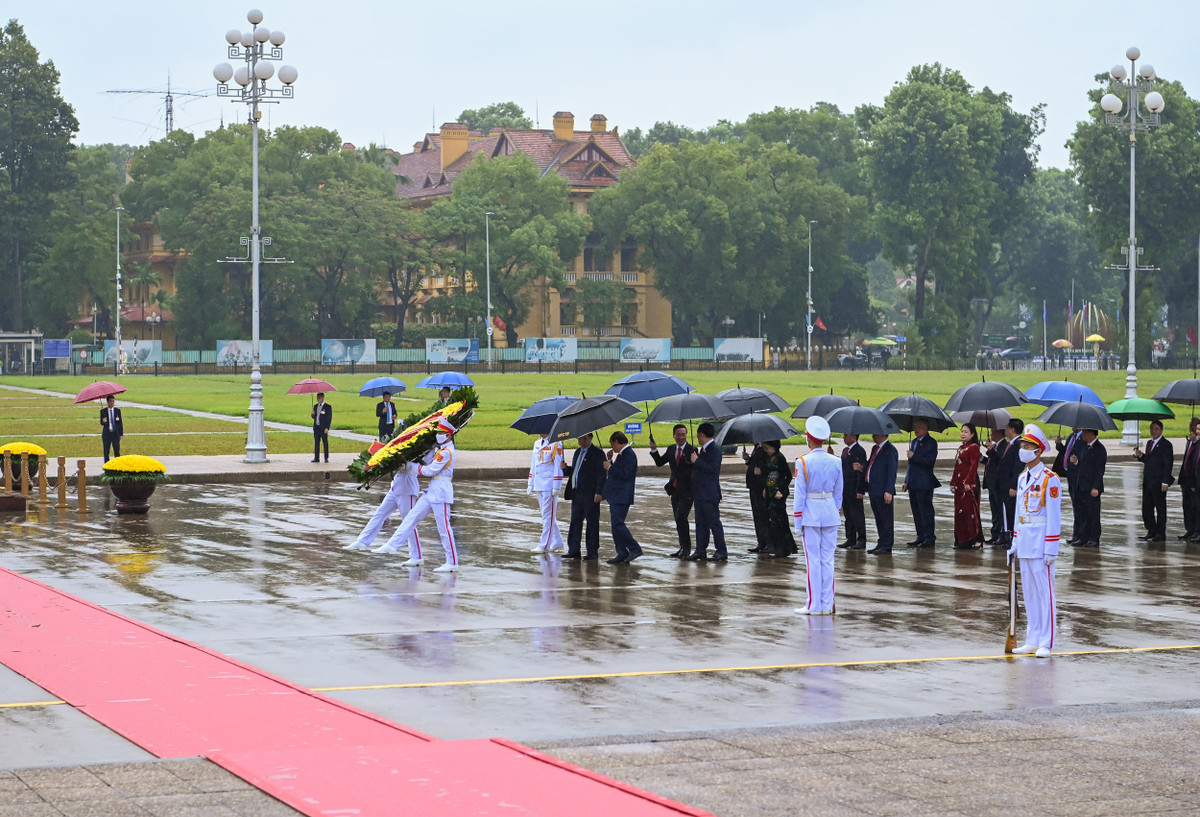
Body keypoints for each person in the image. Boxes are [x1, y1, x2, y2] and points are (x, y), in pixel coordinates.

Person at [1007, 424, 1061, 658]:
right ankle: (1032, 638)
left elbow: (1054, 517)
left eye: (1027, 446)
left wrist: (1051, 548)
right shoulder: (1022, 478)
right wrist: (1015, 543)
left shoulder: (1050, 479)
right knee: (1029, 593)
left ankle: (1046, 642)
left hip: (1041, 544)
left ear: (1038, 451)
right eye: (1021, 445)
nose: (1022, 449)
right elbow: (1019, 513)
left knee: (1044, 593)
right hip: (1026, 541)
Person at [379, 418, 460, 572]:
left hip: (441, 492)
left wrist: (411, 467)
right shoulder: (441, 450)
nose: (438, 435)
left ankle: (452, 562)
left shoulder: (447, 453)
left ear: (448, 435)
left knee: (444, 529)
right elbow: (428, 464)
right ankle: (394, 546)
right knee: (411, 517)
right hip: (433, 490)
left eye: (441, 433)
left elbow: (430, 471)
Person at [793, 417, 844, 615]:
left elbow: (800, 495)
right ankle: (826, 603)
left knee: (813, 561)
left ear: (809, 438)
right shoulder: (836, 461)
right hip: (830, 512)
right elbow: (839, 493)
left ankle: (814, 605)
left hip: (811, 514)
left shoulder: (803, 462)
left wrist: (797, 521)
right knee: (828, 560)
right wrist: (835, 511)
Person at [343, 462, 421, 553]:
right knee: (380, 513)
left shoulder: (427, 450)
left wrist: (406, 465)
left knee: (409, 521)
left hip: (408, 487)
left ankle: (416, 555)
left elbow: (423, 466)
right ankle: (362, 541)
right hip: (396, 485)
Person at [649, 424, 694, 558]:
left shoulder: (692, 449)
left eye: (683, 434)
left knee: (682, 518)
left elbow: (695, 468)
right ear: (673, 435)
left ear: (686, 435)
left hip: (687, 490)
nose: (681, 437)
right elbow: (659, 462)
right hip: (674, 489)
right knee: (677, 519)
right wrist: (654, 450)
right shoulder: (671, 449)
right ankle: (682, 547)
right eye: (678, 434)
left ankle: (687, 548)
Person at [688, 422, 728, 561]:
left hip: (709, 494)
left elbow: (712, 469)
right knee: (700, 523)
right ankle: (700, 550)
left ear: (702, 435)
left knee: (713, 522)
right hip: (700, 493)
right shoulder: (703, 450)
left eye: (698, 435)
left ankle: (721, 550)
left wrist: (697, 460)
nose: (698, 438)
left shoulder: (714, 449)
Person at [601, 430, 642, 564]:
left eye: (612, 444)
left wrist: (609, 467)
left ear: (617, 442)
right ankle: (621, 551)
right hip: (616, 494)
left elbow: (625, 474)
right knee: (615, 525)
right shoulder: (623, 454)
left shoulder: (629, 454)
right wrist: (610, 461)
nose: (612, 447)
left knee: (618, 524)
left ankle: (634, 548)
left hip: (622, 495)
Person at [564, 433, 606, 560]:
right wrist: (566, 469)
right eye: (579, 439)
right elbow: (577, 470)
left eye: (584, 439)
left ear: (591, 439)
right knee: (575, 522)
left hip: (590, 493)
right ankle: (573, 549)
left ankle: (592, 551)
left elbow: (601, 474)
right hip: (577, 493)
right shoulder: (577, 452)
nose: (581, 441)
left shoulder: (597, 453)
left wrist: (599, 492)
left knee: (592, 523)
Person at [1133, 420, 1174, 543]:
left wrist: (1165, 481)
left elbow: (1168, 464)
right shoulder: (1149, 443)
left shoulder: (1166, 444)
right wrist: (1141, 456)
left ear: (1161, 430)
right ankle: (1151, 530)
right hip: (1148, 482)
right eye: (1151, 429)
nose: (1153, 431)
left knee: (1160, 509)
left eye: (1156, 429)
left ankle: (1160, 533)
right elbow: (1150, 461)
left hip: (1159, 482)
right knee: (1147, 509)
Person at [901, 417, 938, 547]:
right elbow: (911, 465)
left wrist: (914, 456)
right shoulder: (914, 441)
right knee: (916, 510)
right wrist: (906, 480)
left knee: (925, 510)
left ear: (926, 428)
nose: (916, 430)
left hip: (924, 482)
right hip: (913, 482)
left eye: (919, 427)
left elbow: (929, 462)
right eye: (915, 427)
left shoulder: (931, 443)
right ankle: (920, 535)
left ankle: (929, 536)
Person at [527, 432, 565, 553]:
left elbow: (558, 466)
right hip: (539, 483)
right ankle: (557, 541)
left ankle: (544, 545)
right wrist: (530, 482)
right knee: (546, 516)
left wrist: (557, 485)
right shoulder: (537, 443)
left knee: (548, 516)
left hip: (549, 484)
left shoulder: (556, 444)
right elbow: (534, 464)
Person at [759, 439, 796, 557]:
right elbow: (768, 476)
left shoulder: (779, 458)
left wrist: (781, 490)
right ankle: (776, 546)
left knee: (779, 520)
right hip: (770, 493)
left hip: (778, 494)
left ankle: (783, 548)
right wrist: (766, 488)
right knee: (771, 521)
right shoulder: (768, 457)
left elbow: (787, 476)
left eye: (767, 448)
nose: (766, 451)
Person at [950, 423, 983, 549]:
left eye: (966, 432)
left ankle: (976, 539)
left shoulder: (974, 447)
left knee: (971, 512)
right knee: (960, 512)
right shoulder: (962, 447)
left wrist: (968, 482)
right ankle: (962, 540)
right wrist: (953, 482)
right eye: (962, 431)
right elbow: (957, 466)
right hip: (959, 485)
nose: (963, 434)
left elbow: (974, 466)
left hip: (969, 484)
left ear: (972, 434)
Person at [864, 432, 898, 554]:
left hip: (883, 490)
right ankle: (881, 541)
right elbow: (871, 465)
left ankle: (887, 544)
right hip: (874, 489)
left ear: (883, 434)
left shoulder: (890, 450)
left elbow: (891, 472)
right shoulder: (875, 448)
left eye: (876, 434)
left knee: (886, 518)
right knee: (879, 518)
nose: (873, 436)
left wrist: (889, 490)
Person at [1072, 428, 1106, 547]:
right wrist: (1076, 462)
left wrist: (1096, 487)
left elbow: (1100, 470)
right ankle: (1083, 536)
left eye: (1085, 433)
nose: (1083, 436)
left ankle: (1094, 538)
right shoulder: (1085, 446)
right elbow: (1082, 464)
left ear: (1092, 434)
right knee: (1083, 513)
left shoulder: (1099, 449)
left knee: (1093, 514)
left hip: (1092, 487)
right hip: (1082, 486)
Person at [996, 418, 1026, 546]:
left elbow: (1017, 467)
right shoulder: (1009, 444)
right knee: (1005, 511)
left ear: (1012, 430)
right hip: (1003, 484)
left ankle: (1012, 537)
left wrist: (1013, 486)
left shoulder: (1019, 444)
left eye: (1007, 428)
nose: (1005, 431)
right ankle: (1006, 534)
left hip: (1010, 485)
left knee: (1011, 512)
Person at [1055, 428, 1084, 545]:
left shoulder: (1084, 438)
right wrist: (1059, 445)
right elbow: (1065, 452)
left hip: (1079, 477)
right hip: (1070, 475)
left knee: (1080, 508)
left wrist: (1077, 461)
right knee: (1075, 507)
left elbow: (1084, 457)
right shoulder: (1072, 436)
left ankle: (1082, 535)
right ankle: (1076, 534)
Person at [839, 432, 867, 550]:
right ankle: (850, 538)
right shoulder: (845, 451)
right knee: (848, 515)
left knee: (857, 515)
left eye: (846, 435)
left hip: (854, 488)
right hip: (845, 488)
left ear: (854, 437)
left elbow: (862, 471)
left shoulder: (859, 451)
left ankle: (861, 539)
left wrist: (860, 490)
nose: (844, 437)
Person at [743, 442, 770, 552]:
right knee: (757, 514)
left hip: (760, 486)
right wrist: (748, 459)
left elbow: (767, 466)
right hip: (753, 485)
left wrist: (759, 470)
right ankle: (761, 542)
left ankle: (768, 542)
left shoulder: (764, 449)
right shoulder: (757, 448)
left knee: (763, 514)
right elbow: (755, 463)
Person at [982, 428, 1008, 544]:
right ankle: (995, 533)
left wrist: (990, 449)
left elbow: (999, 459)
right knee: (994, 509)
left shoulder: (1004, 445)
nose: (991, 434)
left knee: (999, 509)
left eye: (993, 432)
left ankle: (1002, 533)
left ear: (999, 433)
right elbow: (990, 461)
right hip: (991, 482)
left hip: (998, 482)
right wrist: (981, 457)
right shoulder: (996, 446)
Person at [1179, 418, 1200, 541]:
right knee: (1186, 506)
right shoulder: (1189, 441)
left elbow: (1194, 462)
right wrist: (1182, 479)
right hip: (1186, 480)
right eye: (1193, 428)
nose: (1195, 431)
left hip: (1195, 481)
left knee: (1196, 507)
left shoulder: (1197, 443)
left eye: (1196, 428)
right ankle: (1190, 530)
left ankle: (1197, 530)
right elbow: (1186, 460)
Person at [100, 395, 124, 462]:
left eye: (113, 401)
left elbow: (120, 423)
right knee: (106, 451)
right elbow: (101, 422)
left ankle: (118, 465)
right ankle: (107, 465)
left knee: (117, 450)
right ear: (107, 402)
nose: (112, 403)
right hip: (107, 434)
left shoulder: (117, 411)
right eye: (110, 401)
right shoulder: (103, 411)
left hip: (115, 433)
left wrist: (121, 434)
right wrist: (103, 421)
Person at [311, 393, 332, 463]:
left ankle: (326, 457)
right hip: (316, 427)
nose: (318, 399)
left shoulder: (328, 407)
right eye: (317, 397)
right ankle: (316, 458)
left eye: (319, 397)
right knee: (317, 443)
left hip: (323, 428)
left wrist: (327, 428)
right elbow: (314, 417)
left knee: (325, 443)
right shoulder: (315, 406)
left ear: (323, 397)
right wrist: (312, 414)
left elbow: (329, 418)